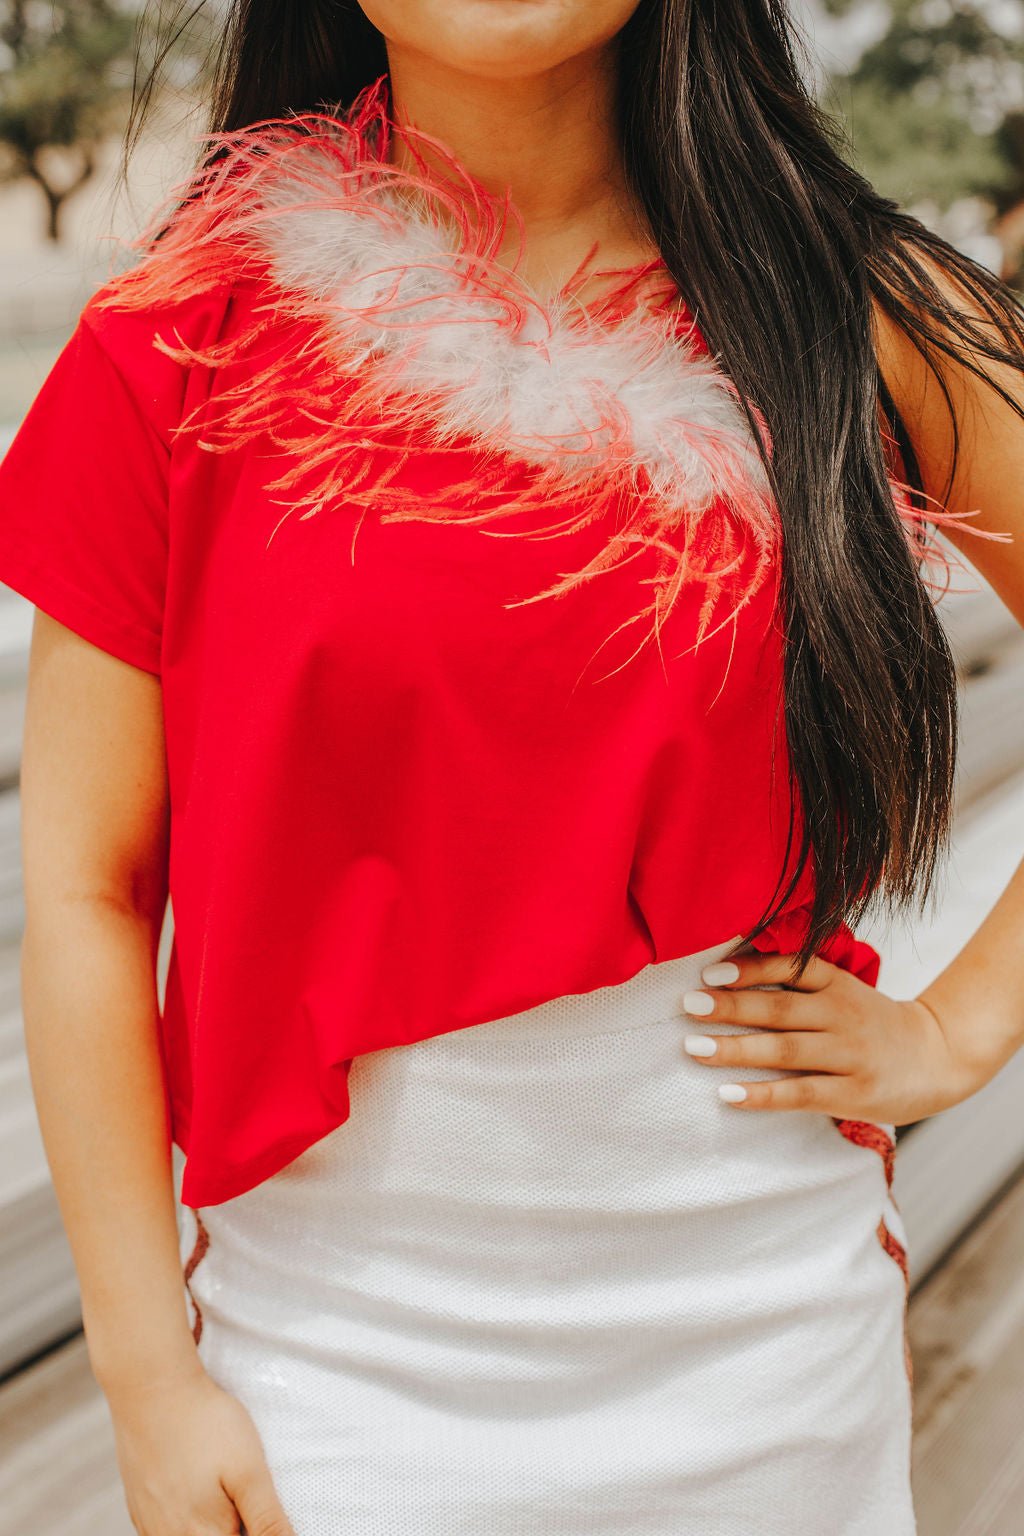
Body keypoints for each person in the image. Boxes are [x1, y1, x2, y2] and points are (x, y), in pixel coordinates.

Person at [1, 1, 1023, 1532]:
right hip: (332, 1388)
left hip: (768, 1372)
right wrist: (150, 1384)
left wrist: (956, 1030)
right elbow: (86, 890)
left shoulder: (858, 310)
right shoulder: (177, 339)